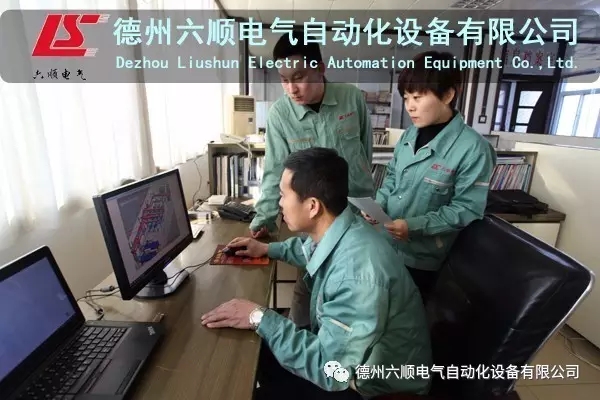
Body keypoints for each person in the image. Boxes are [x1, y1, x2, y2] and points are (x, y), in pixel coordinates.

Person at [201, 148, 431, 400]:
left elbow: (332, 371)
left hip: (368, 385)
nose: (279, 203)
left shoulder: (357, 274)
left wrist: (258, 316)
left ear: (312, 206)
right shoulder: (346, 226)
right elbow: (311, 249)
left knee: (253, 380)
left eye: (283, 195)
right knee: (259, 351)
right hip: (348, 359)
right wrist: (266, 249)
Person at [249, 30, 375, 327]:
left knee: (354, 293)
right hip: (315, 221)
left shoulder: (351, 98)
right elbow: (275, 170)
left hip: (357, 216)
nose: (291, 88)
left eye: (299, 76)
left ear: (320, 68)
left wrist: (367, 199)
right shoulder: (281, 114)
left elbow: (365, 152)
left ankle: (338, 343)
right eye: (283, 80)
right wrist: (265, 218)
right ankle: (307, 340)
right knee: (309, 290)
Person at [363, 51, 497, 301]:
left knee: (407, 316)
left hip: (423, 260)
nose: (410, 106)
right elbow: (391, 178)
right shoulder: (408, 135)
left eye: (417, 97)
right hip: (386, 245)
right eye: (406, 98)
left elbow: (467, 209)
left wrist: (413, 226)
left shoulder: (473, 149)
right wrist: (378, 205)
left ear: (447, 95)